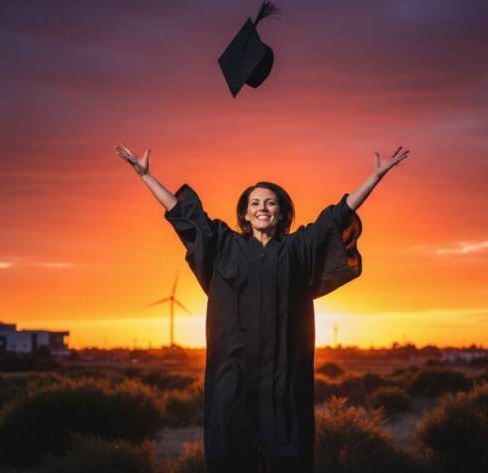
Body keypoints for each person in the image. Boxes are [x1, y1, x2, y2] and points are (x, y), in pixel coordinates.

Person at [115, 143, 410, 473]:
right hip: (233, 372)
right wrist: (146, 176)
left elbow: (335, 218)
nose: (262, 208)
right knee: (231, 448)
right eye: (255, 203)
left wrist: (375, 176)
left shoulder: (298, 249)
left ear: (282, 212)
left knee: (287, 448)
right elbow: (186, 218)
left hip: (284, 375)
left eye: (270, 203)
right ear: (244, 213)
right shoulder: (225, 245)